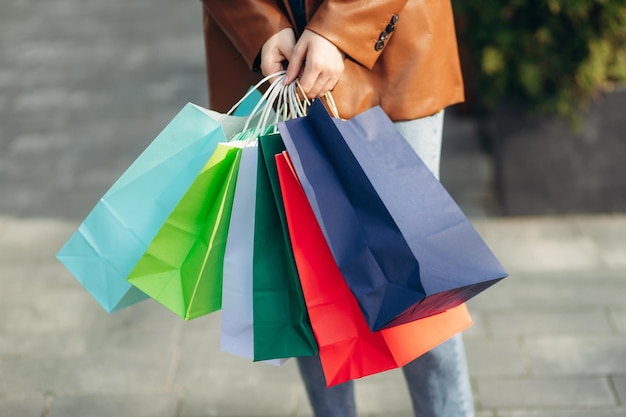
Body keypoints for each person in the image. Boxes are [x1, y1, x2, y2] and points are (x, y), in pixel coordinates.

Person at [200, 1, 474, 416]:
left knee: (418, 286)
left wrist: (340, 28)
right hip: (272, 59)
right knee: (306, 280)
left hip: (389, 42)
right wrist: (260, 26)